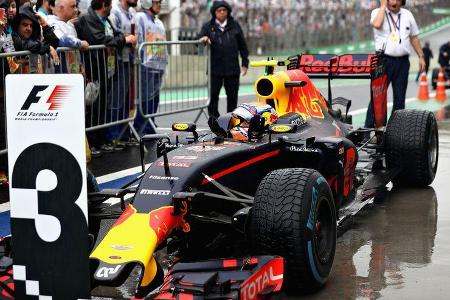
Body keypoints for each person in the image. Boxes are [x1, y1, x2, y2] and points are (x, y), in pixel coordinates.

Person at [75, 0, 136, 156]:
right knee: (94, 108)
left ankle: (101, 141)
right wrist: (124, 40)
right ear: (104, 5)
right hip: (94, 69)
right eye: (109, 4)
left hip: (107, 69)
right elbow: (100, 39)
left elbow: (114, 34)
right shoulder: (88, 18)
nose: (111, 7)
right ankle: (93, 142)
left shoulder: (105, 19)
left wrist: (122, 37)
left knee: (102, 107)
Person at [364, 0, 426, 129]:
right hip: (383, 62)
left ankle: (395, 131)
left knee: (400, 98)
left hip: (403, 62)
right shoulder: (377, 12)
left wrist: (421, 56)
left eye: (397, 0)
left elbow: (414, 37)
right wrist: (382, 6)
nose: (394, 2)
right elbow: (376, 24)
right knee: (377, 98)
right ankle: (368, 129)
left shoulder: (407, 14)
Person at [199, 0, 249, 119]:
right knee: (213, 97)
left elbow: (243, 46)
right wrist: (203, 38)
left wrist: (245, 63)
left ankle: (230, 122)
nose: (222, 12)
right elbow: (198, 39)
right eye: (219, 10)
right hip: (214, 70)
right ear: (214, 12)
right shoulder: (208, 26)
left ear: (228, 12)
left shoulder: (235, 25)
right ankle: (214, 122)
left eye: (224, 10)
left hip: (232, 70)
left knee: (232, 98)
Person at [135, 0, 167, 134]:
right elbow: (140, 40)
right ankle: (142, 126)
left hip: (158, 64)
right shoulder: (140, 18)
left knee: (155, 97)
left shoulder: (159, 22)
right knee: (146, 97)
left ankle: (150, 122)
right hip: (146, 64)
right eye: (156, 2)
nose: (159, 4)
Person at [107, 0, 138, 143]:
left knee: (126, 100)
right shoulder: (115, 11)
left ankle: (124, 134)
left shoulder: (132, 12)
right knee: (116, 99)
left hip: (129, 59)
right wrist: (126, 39)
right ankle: (114, 135)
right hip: (117, 60)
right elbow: (111, 36)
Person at [11, 5, 60, 73]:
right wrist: (48, 48)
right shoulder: (13, 37)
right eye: (25, 25)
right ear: (17, 26)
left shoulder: (34, 40)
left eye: (31, 26)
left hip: (36, 81)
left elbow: (54, 43)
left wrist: (44, 24)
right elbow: (27, 44)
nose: (29, 28)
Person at [48, 0, 89, 73]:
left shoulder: (69, 24)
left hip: (73, 71)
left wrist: (80, 65)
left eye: (75, 6)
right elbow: (62, 40)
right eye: (72, 6)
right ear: (61, 8)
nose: (76, 10)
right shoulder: (51, 22)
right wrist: (81, 43)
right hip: (61, 73)